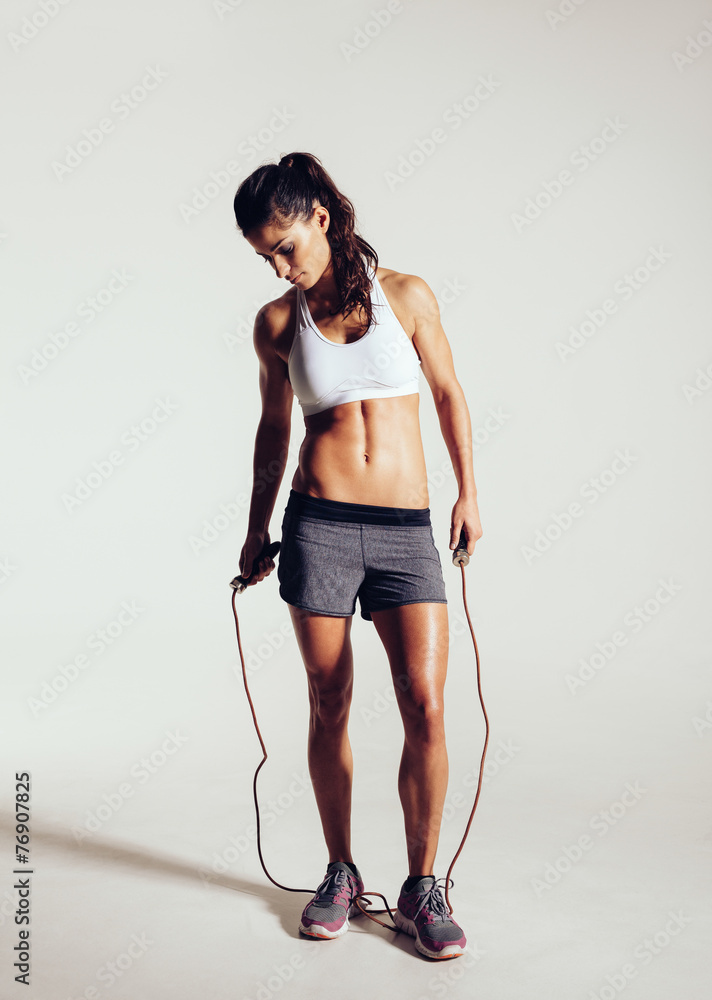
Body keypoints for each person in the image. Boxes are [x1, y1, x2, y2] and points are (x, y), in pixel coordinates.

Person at [233, 151, 482, 961]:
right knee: (328, 700)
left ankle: (423, 885)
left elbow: (447, 394)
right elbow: (275, 430)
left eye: (284, 247)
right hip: (319, 528)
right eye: (264, 256)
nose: (278, 265)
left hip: (406, 532)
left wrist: (469, 494)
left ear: (321, 220)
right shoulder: (277, 323)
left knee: (427, 706)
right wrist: (256, 526)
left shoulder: (408, 295)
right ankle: (338, 870)